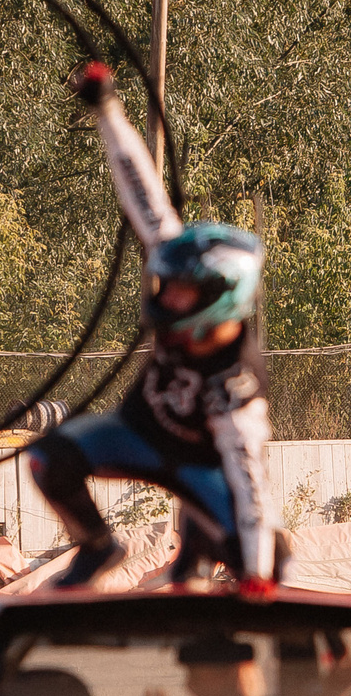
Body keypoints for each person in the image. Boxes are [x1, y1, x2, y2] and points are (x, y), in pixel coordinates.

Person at [28, 64, 278, 592]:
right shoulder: (174, 260)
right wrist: (106, 107)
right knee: (50, 458)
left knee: (260, 558)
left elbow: (250, 486)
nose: (166, 294)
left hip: (201, 471)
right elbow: (141, 190)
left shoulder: (238, 388)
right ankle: (98, 547)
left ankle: (219, 572)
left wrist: (257, 574)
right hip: (139, 435)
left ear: (218, 298)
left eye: (182, 290)